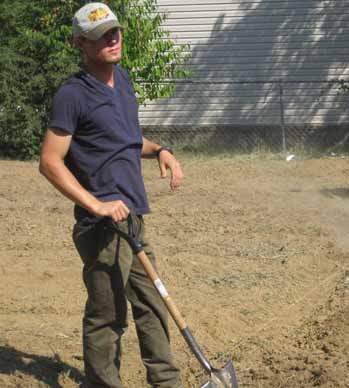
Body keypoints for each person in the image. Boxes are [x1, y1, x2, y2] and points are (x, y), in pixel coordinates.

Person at [39, 3, 183, 387]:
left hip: (132, 215)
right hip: (101, 225)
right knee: (108, 315)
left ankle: (167, 382)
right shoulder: (73, 94)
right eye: (101, 35)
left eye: (115, 31)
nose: (113, 38)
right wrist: (96, 203)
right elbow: (50, 162)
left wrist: (160, 150)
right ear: (80, 44)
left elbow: (126, 141)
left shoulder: (124, 81)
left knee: (153, 303)